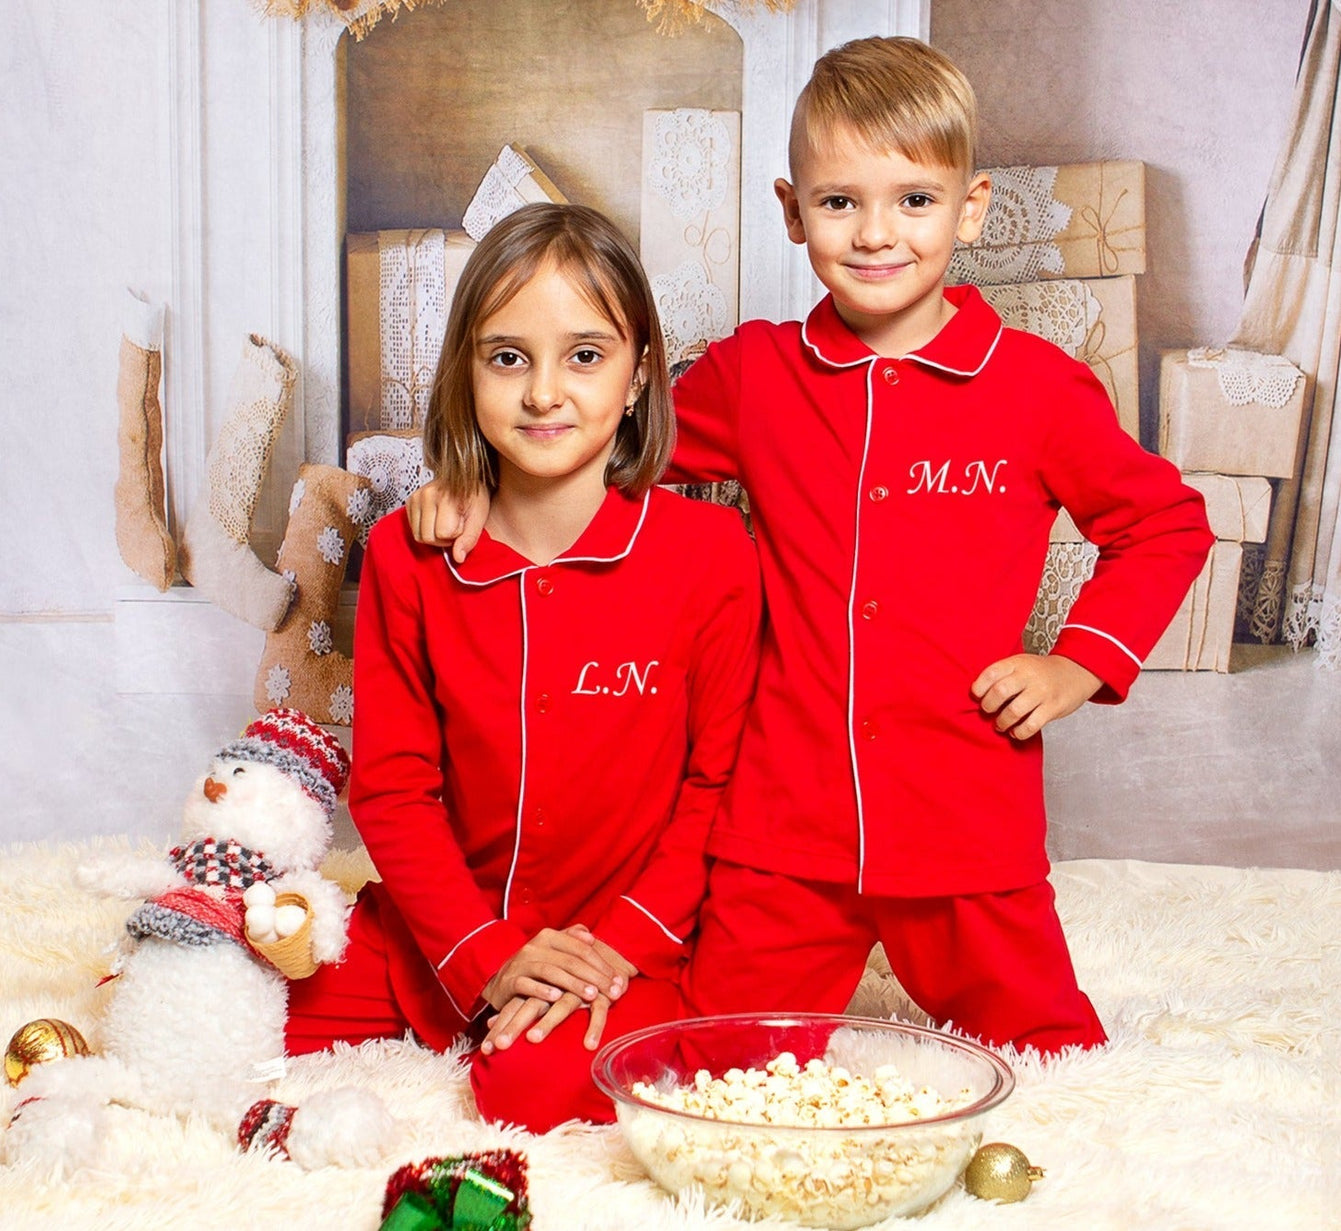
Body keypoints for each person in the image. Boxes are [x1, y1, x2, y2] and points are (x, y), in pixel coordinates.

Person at [407, 38, 1213, 1056]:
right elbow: (603, 436)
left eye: (913, 200)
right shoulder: (756, 374)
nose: (875, 233)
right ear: (791, 212)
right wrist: (472, 483)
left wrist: (1077, 662)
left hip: (965, 817)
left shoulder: (1035, 388)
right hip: (781, 829)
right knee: (717, 1060)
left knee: (1051, 1059)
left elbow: (1163, 524)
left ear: (969, 210)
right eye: (839, 202)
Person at [285, 202, 761, 1131]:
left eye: (584, 355)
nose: (545, 393)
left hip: (619, 948)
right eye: (508, 358)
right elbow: (392, 788)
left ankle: (581, 1019)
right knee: (198, 988)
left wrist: (614, 949)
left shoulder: (710, 555)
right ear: (465, 373)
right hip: (438, 932)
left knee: (530, 1086)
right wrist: (485, 954)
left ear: (638, 374)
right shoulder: (408, 555)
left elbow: (720, 786)